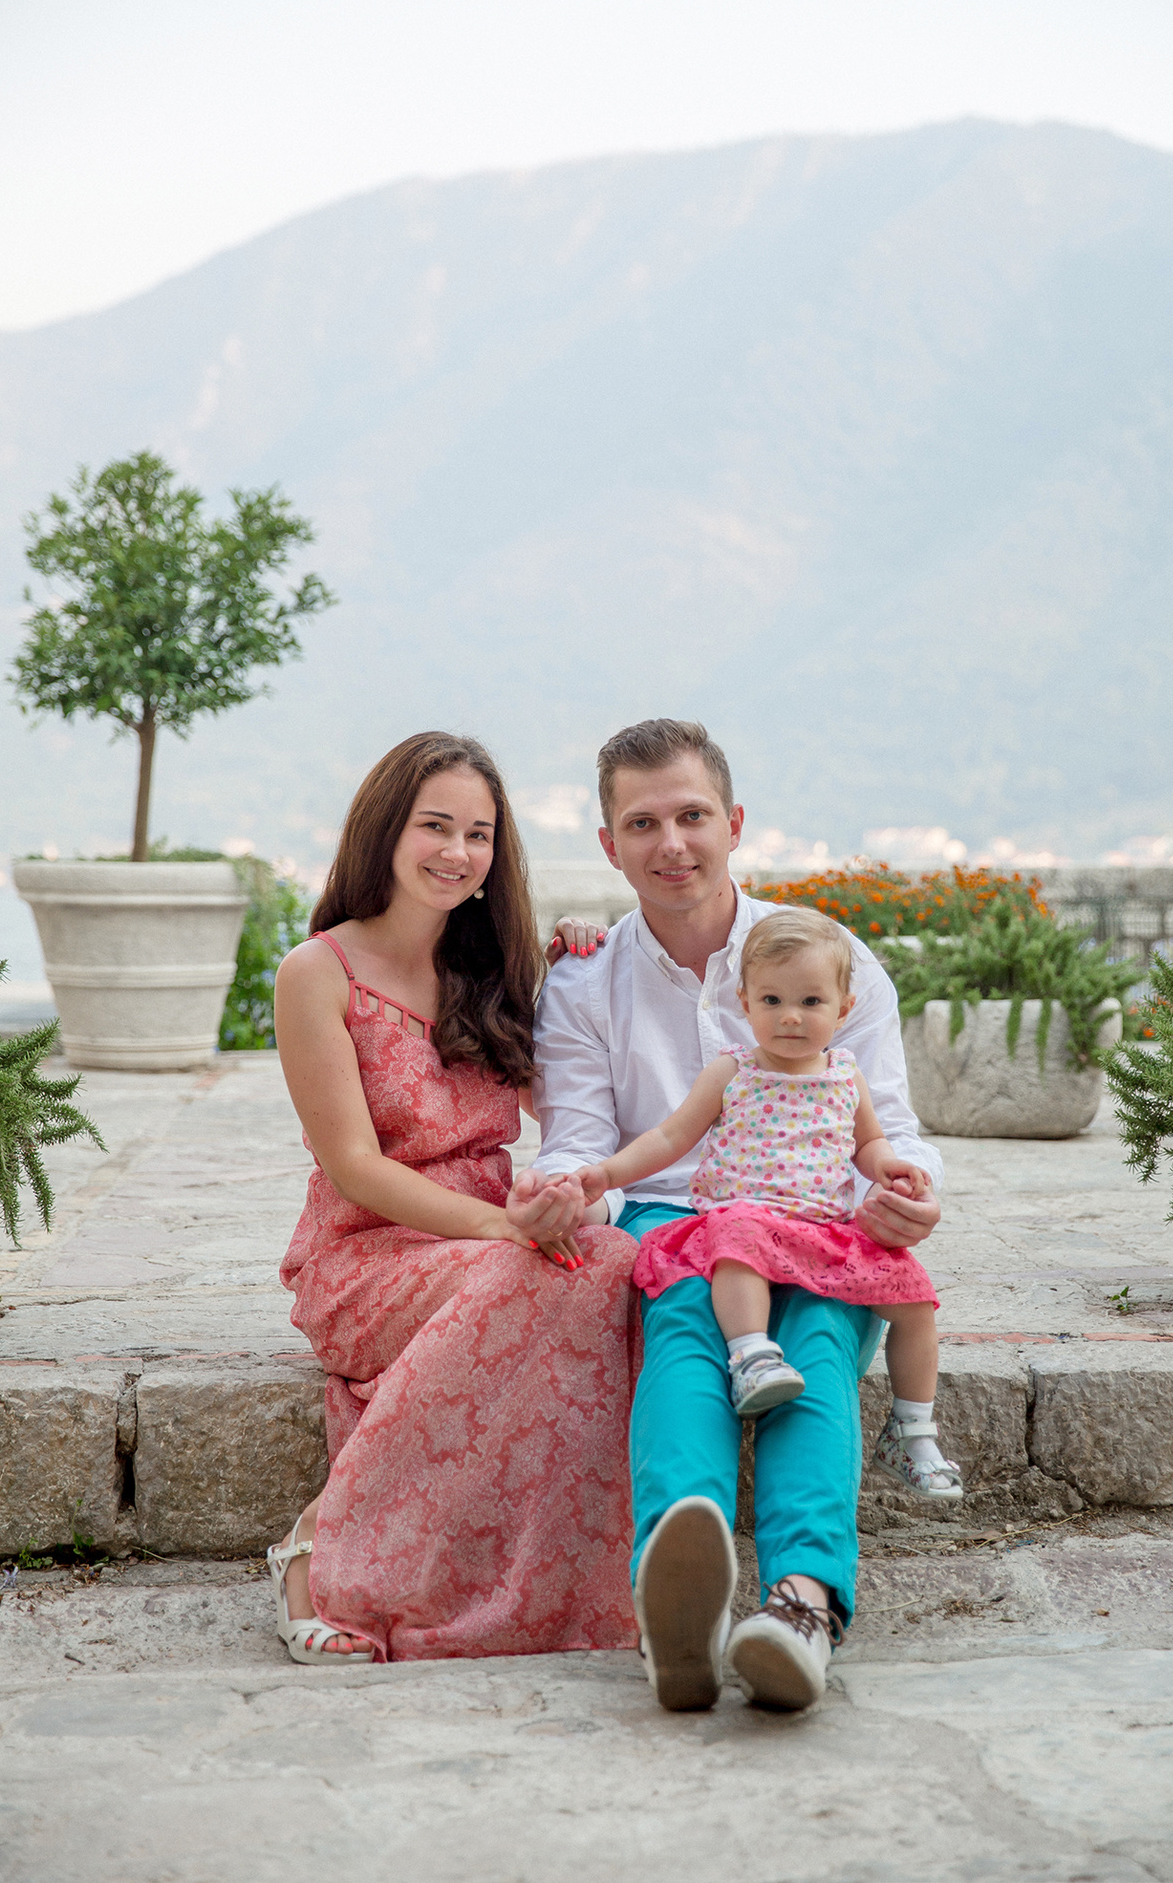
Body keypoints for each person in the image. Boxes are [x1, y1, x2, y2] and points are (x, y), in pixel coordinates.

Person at [532, 717, 946, 1713]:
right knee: (682, 1330)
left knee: (816, 1335)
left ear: (733, 823)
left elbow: (888, 1124)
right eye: (642, 823)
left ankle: (799, 1606)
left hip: (817, 1212)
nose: (670, 843)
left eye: (690, 816)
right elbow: (580, 1142)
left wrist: (902, 1196)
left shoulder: (830, 965)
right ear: (609, 845)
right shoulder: (584, 983)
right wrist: (562, 1191)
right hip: (670, 1216)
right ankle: (679, 1593)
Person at [268, 730, 639, 1665]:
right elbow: (353, 1163)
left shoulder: (499, 970)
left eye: (478, 835)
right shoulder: (318, 973)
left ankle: (549, 1578)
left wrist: (589, 966)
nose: (456, 852)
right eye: (435, 826)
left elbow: (579, 1104)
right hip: (368, 1252)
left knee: (617, 1260)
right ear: (386, 830)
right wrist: (501, 1225)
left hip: (486, 1244)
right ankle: (314, 1544)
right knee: (543, 1275)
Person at [564, 907, 958, 1500]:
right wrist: (605, 1172)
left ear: (843, 1009)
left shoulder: (845, 1074)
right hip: (745, 1217)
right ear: (745, 1003)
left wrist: (891, 1171)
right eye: (771, 1001)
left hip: (822, 1228)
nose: (790, 1017)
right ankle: (751, 1354)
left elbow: (870, 1142)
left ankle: (911, 1427)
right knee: (738, 1244)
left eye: (811, 1002)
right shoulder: (733, 1071)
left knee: (913, 1294)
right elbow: (671, 1137)